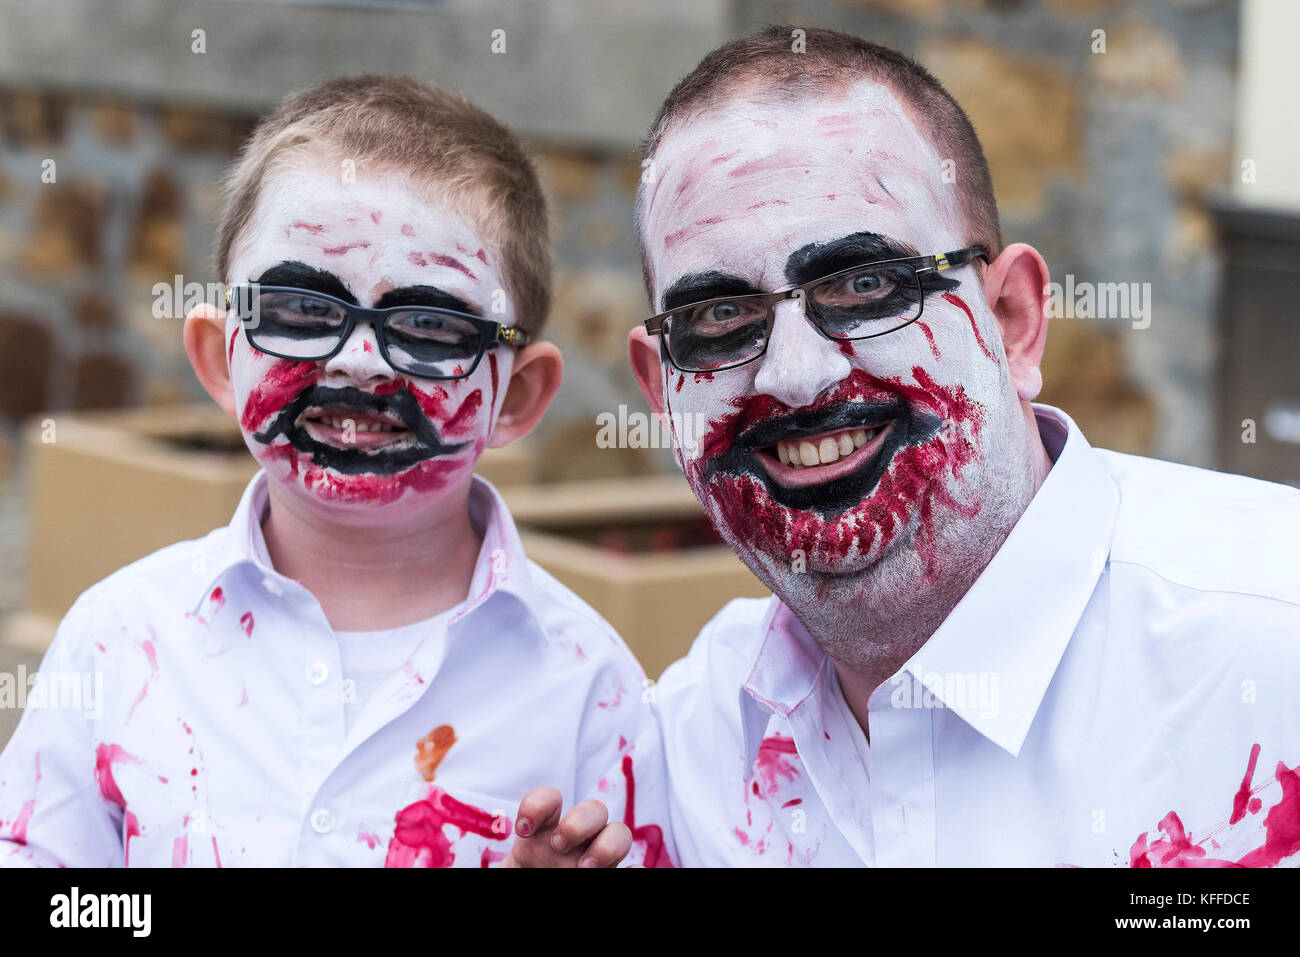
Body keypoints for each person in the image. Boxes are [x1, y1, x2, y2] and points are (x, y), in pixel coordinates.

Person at [626, 26, 1300, 866]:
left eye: (867, 284)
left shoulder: (1277, 647)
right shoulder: (692, 741)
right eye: (719, 317)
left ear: (1014, 320)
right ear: (662, 394)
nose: (796, 377)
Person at [0, 75, 663, 868]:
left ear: (515, 397)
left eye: (428, 323)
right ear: (221, 357)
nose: (357, 360)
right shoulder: (115, 642)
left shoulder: (594, 688)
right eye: (299, 310)